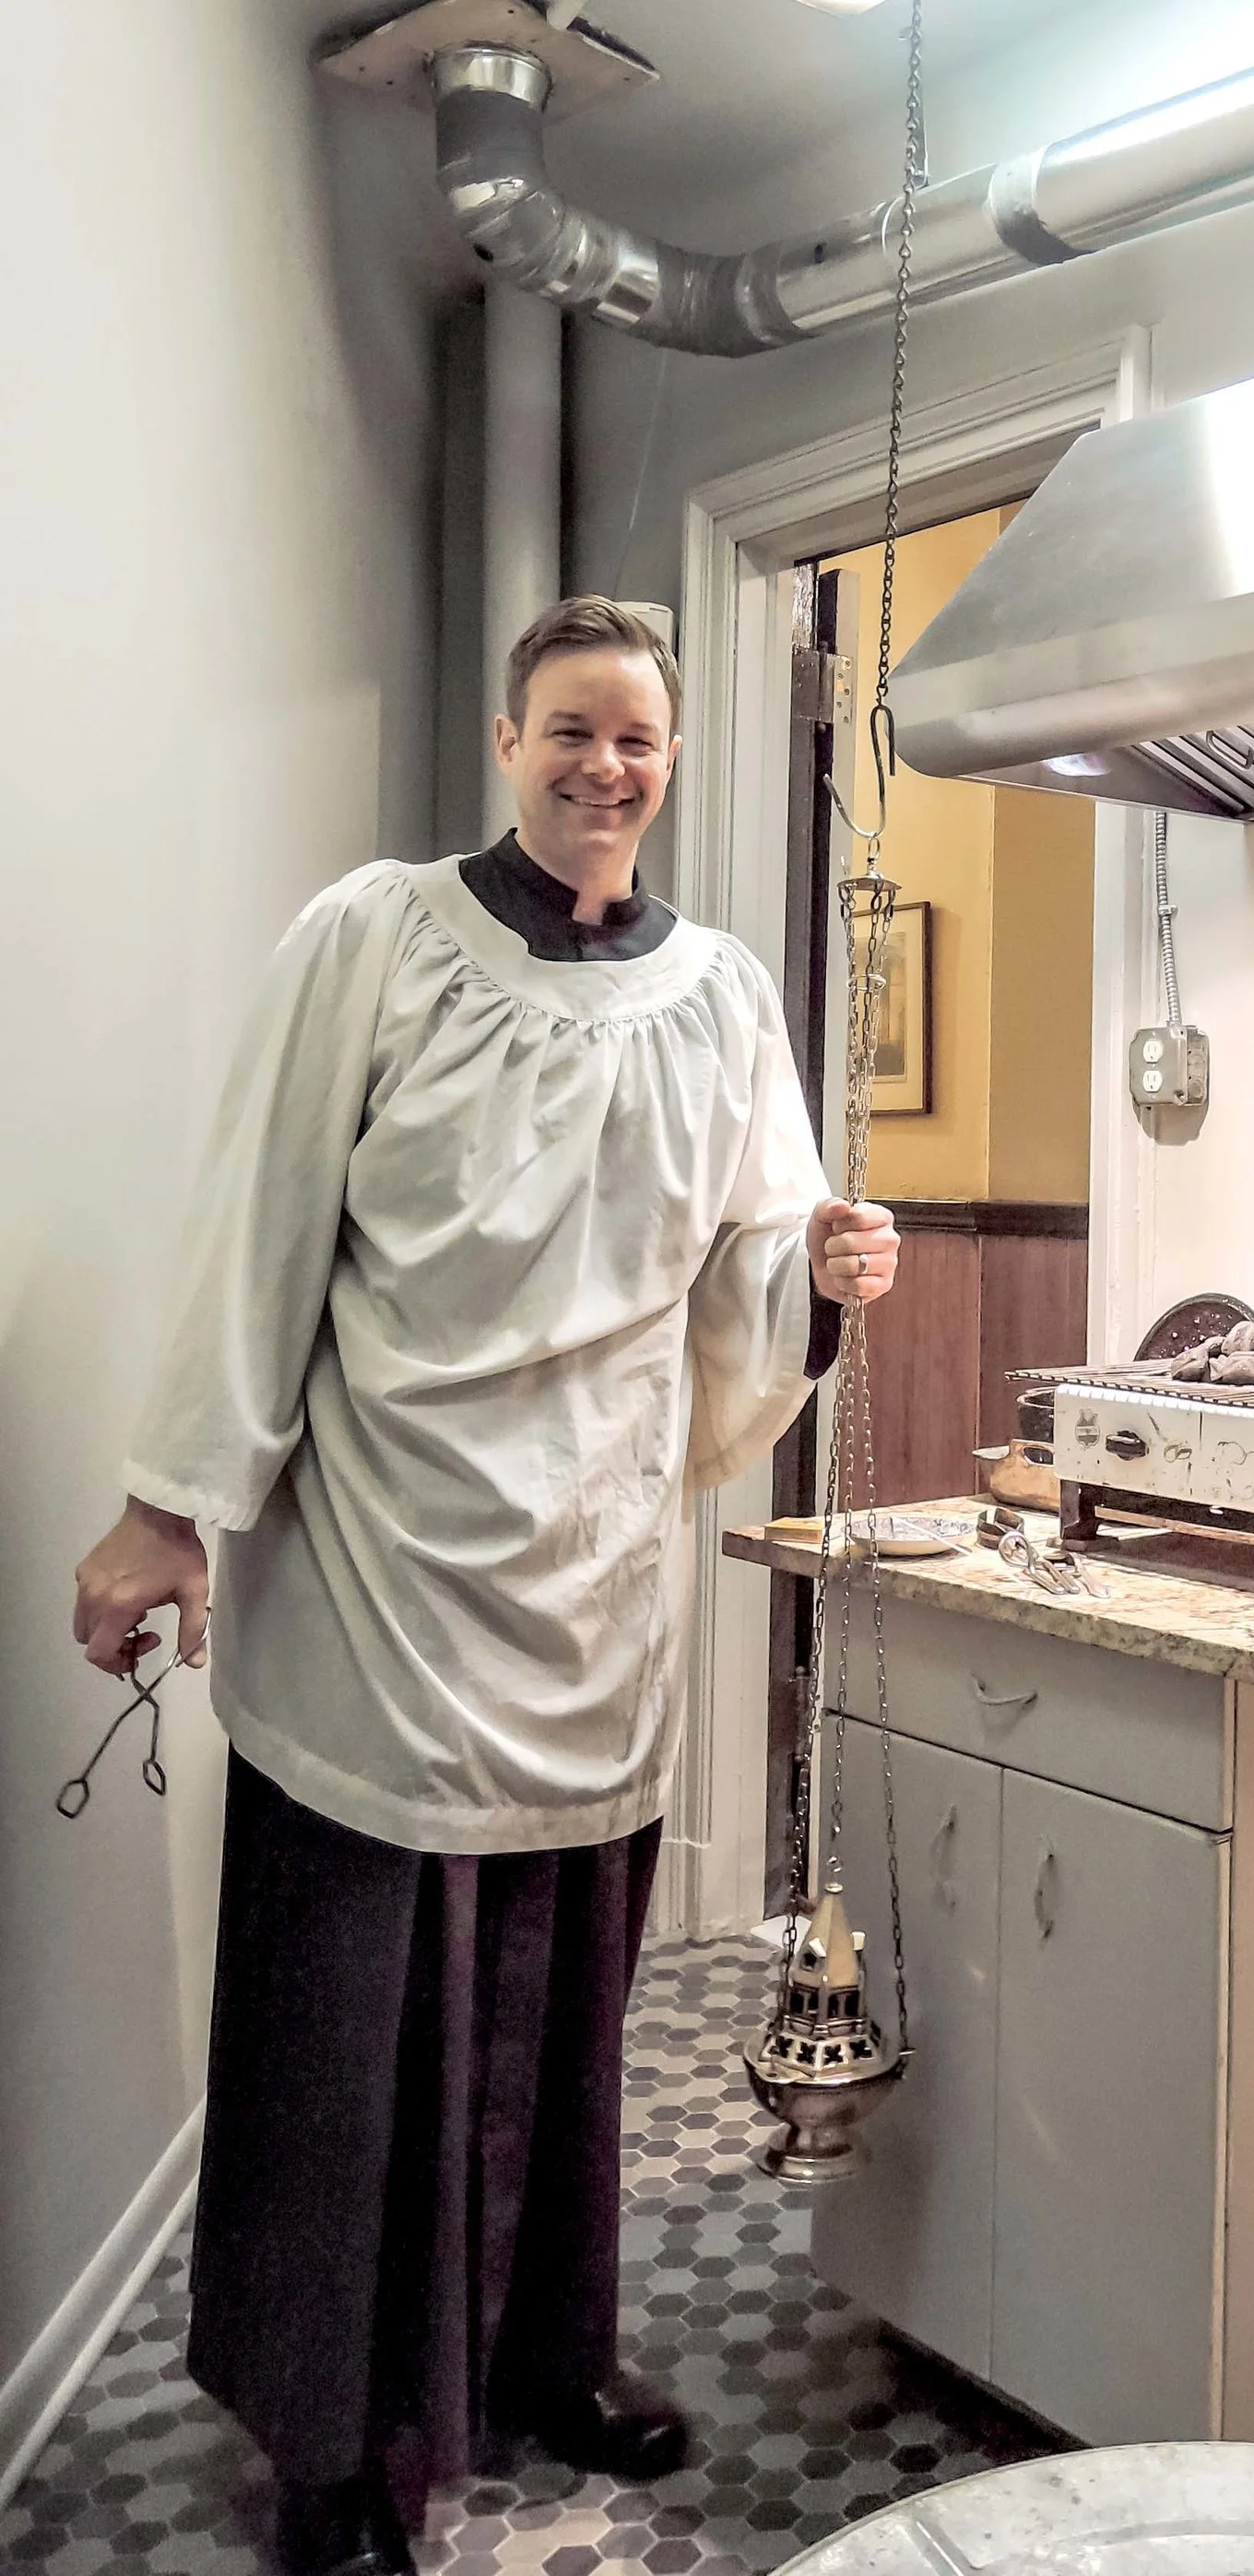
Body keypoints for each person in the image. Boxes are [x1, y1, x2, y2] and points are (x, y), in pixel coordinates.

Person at [71, 596, 899, 2576]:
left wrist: (820, 1276)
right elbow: (259, 1219)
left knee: (561, 2010)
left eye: (639, 738)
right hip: (379, 1561)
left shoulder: (720, 996)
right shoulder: (374, 940)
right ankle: (332, 2444)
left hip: (596, 1576)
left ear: (672, 766)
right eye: (571, 729)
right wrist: (168, 1505)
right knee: (358, 2027)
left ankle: (545, 2354)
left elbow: (747, 1256)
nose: (605, 764)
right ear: (507, 741)